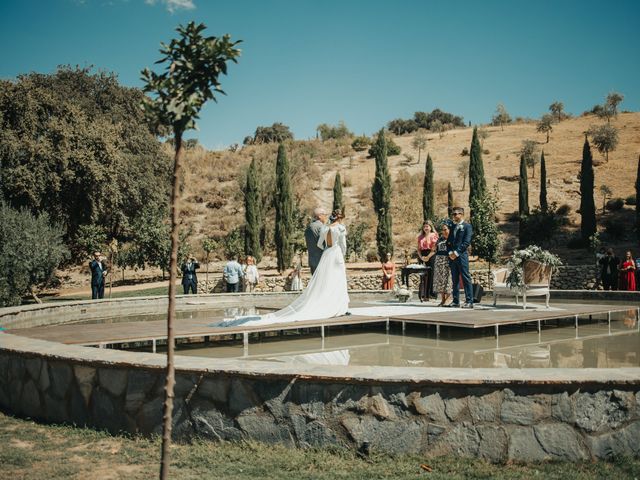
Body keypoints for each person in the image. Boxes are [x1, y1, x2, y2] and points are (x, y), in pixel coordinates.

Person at [217, 209, 349, 326]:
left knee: (324, 283)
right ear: (339, 217)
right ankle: (338, 307)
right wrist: (340, 254)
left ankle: (328, 305)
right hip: (335, 255)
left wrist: (327, 251)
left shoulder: (324, 228)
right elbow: (343, 245)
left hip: (326, 255)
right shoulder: (340, 228)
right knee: (337, 280)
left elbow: (321, 244)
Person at [447, 207, 474, 308]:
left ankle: (469, 301)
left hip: (461, 256)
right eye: (453, 214)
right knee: (455, 279)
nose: (455, 216)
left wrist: (456, 253)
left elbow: (466, 242)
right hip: (452, 257)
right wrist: (450, 252)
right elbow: (448, 241)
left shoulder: (467, 226)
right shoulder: (453, 226)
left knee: (465, 278)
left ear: (462, 214)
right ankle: (455, 301)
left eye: (457, 214)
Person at [417, 220, 438, 300]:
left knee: (432, 274)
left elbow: (434, 249)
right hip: (422, 255)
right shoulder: (420, 237)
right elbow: (418, 249)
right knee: (423, 275)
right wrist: (421, 257)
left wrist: (428, 257)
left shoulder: (434, 235)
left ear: (430, 227)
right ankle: (424, 294)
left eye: (427, 226)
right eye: (424, 226)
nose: (426, 228)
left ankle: (432, 294)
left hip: (432, 255)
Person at [433, 223, 453, 307]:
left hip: (448, 261)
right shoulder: (439, 239)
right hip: (439, 261)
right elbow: (435, 249)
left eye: (445, 229)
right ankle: (442, 299)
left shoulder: (452, 239)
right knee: (440, 281)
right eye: (443, 230)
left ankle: (448, 298)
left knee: (448, 280)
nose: (444, 231)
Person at [304, 207, 328, 275]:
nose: (326, 217)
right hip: (321, 261)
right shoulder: (321, 227)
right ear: (320, 216)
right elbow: (324, 244)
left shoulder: (309, 227)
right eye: (325, 214)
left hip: (312, 260)